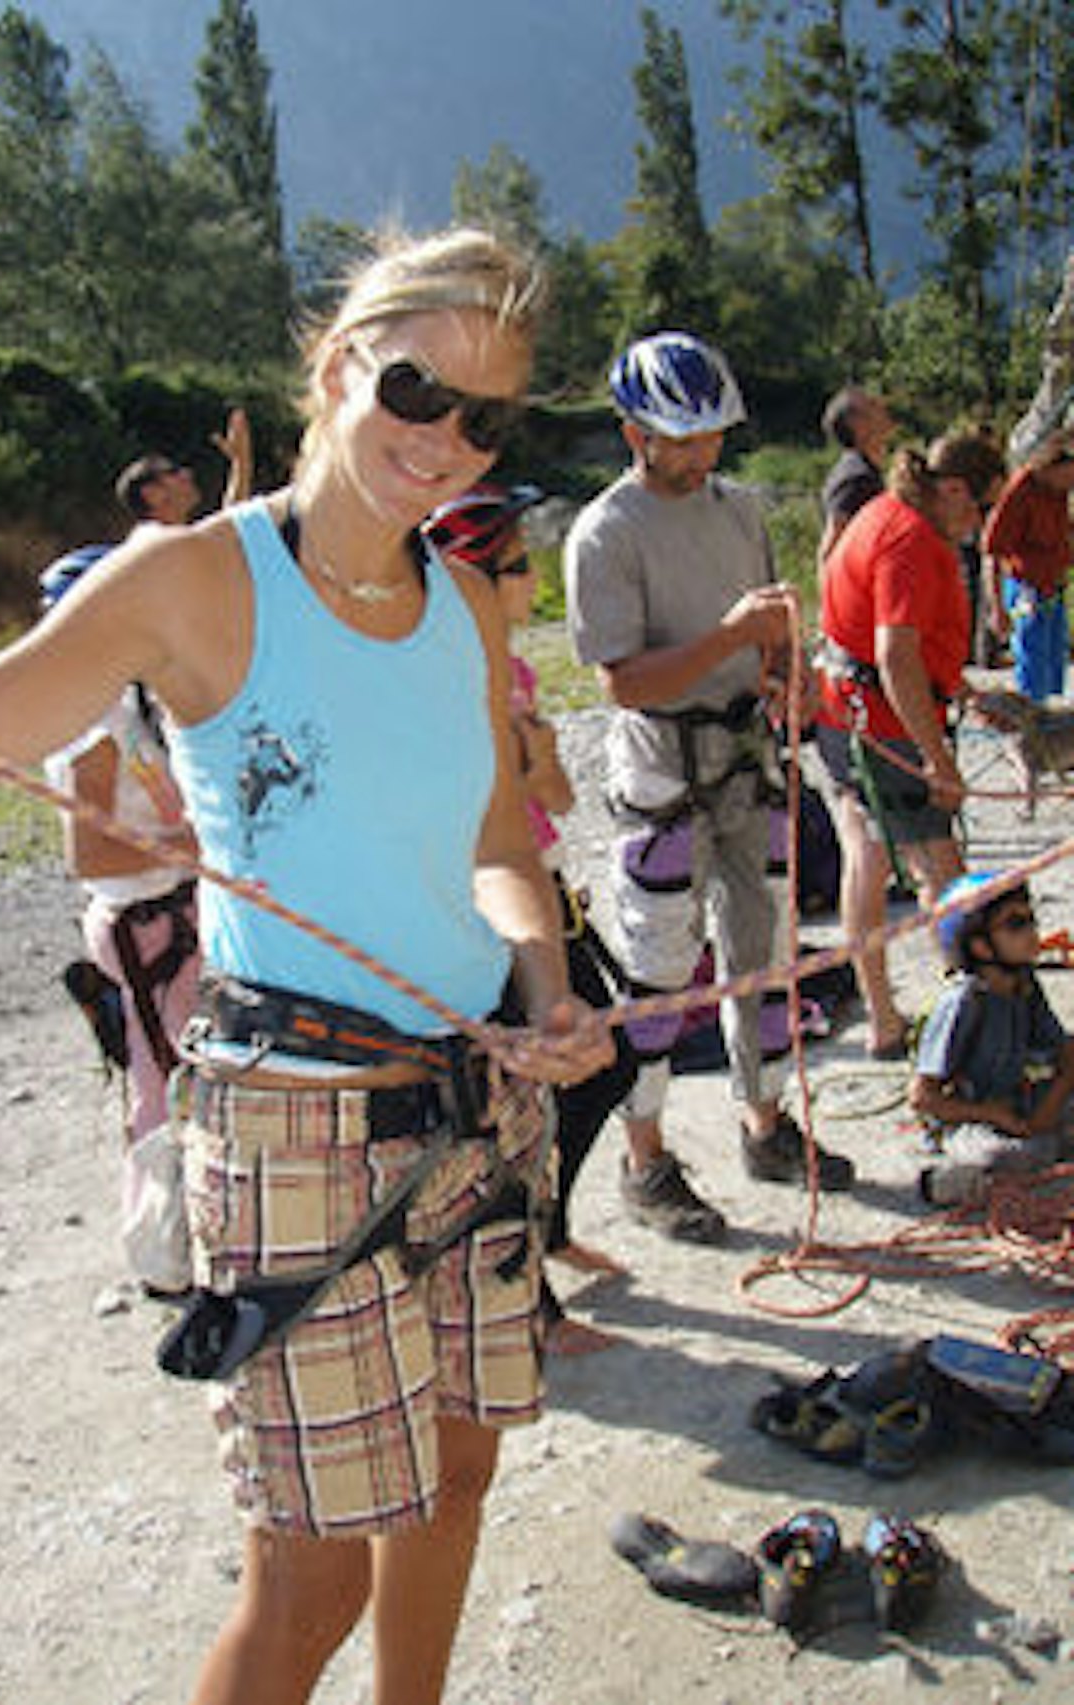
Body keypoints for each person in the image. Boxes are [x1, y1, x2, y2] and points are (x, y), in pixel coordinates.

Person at [0, 226, 612, 1705]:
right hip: (296, 1129)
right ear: (341, 363)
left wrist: (546, 984)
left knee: (460, 1477)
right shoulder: (189, 583)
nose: (447, 442)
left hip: (473, 1108)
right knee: (310, 1580)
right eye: (419, 390)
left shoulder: (467, 603)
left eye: (488, 418)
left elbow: (498, 830)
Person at [564, 330, 855, 1248]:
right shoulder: (605, 533)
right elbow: (623, 682)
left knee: (761, 944)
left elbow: (770, 617)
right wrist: (733, 638)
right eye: (677, 440)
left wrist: (782, 666)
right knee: (656, 963)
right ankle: (644, 1158)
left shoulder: (738, 511)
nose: (698, 456)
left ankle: (764, 1124)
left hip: (747, 752)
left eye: (709, 438)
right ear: (632, 432)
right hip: (661, 764)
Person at [425, 483, 640, 1354]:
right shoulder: (441, 686)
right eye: (516, 566)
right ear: (472, 580)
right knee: (518, 1106)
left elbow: (554, 793)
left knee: (606, 1068)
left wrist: (535, 749)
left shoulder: (511, 673)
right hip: (496, 913)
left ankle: (547, 1232)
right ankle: (528, 1301)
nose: (531, 581)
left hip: (548, 889)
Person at [40, 549, 203, 1293]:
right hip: (146, 922)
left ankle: (190, 1244)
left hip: (171, 909)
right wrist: (193, 845)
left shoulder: (129, 701)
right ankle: (168, 1256)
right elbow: (91, 852)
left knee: (182, 1081)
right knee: (163, 1089)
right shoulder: (89, 721)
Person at [815, 433, 1006, 1060]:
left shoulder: (884, 511)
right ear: (953, 490)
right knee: (941, 869)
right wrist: (939, 758)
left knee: (864, 859)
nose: (977, 525)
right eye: (978, 509)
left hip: (844, 711)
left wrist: (959, 688)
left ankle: (885, 1020)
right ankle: (978, 1018)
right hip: (884, 725)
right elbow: (897, 655)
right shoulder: (912, 542)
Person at [911, 871, 1074, 1205]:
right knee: (1003, 1157)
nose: (1033, 933)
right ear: (980, 946)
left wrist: (1052, 1102)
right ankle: (945, 1183)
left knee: (1038, 1143)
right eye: (1015, 925)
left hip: (1020, 1100)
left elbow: (1065, 1051)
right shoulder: (963, 1003)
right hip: (972, 1119)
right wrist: (992, 1114)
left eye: (1031, 920)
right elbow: (923, 1098)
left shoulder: (1024, 983)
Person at [981, 428, 1074, 703]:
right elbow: (992, 551)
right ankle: (1030, 736)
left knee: (1055, 665)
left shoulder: (1058, 494)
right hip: (1025, 588)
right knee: (1032, 668)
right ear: (1053, 465)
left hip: (1053, 586)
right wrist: (997, 608)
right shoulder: (1021, 491)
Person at [115, 407, 253, 532]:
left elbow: (228, 526)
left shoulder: (171, 543)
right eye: (173, 471)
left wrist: (240, 463)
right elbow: (228, 528)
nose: (188, 474)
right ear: (152, 494)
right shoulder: (162, 548)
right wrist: (241, 463)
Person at [817, 385, 895, 574]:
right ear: (857, 424)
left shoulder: (865, 472)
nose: (882, 406)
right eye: (871, 405)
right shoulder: (855, 479)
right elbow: (829, 552)